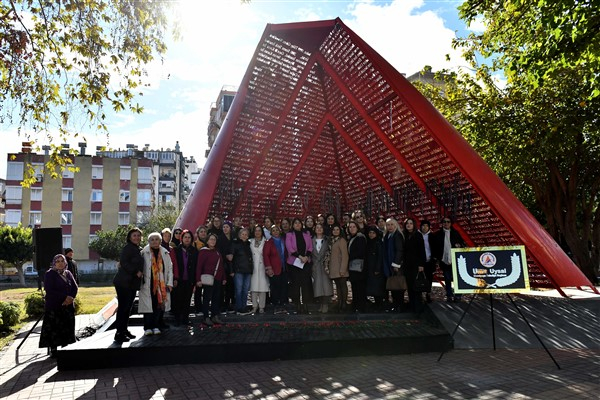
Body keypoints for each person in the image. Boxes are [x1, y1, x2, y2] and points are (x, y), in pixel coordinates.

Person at [39, 254, 78, 357]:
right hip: (54, 306)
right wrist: (64, 297)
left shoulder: (68, 273)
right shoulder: (49, 274)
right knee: (54, 328)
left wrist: (70, 297)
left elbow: (75, 287)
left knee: (67, 327)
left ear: (65, 262)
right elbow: (50, 290)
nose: (60, 263)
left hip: (68, 306)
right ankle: (54, 350)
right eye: (58, 261)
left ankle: (66, 348)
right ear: (54, 263)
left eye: (62, 261)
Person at [112, 227, 144, 343]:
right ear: (130, 237)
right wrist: (136, 271)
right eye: (134, 235)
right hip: (123, 282)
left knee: (128, 308)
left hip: (131, 283)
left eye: (138, 235)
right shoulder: (128, 248)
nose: (136, 237)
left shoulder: (137, 249)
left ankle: (124, 330)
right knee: (123, 308)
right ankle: (119, 333)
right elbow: (124, 263)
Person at [139, 232, 174, 335]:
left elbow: (169, 269)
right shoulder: (143, 252)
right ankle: (147, 327)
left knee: (158, 305)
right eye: (152, 239)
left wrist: (169, 283)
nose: (154, 241)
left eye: (156, 239)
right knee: (148, 307)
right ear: (148, 241)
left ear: (160, 241)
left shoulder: (165, 253)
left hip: (161, 285)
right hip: (148, 284)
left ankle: (156, 326)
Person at [432, 216, 465, 302]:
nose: (446, 223)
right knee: (447, 278)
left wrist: (459, 245)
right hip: (444, 260)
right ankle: (449, 295)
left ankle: (458, 295)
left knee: (456, 278)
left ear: (451, 223)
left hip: (454, 259)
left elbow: (462, 244)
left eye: (448, 222)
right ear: (442, 224)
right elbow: (435, 247)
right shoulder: (438, 234)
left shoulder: (455, 233)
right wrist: (438, 258)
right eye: (444, 222)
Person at [285, 217, 313, 314]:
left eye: (299, 223)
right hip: (294, 263)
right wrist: (300, 256)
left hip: (305, 262)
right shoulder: (289, 234)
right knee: (296, 284)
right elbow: (290, 248)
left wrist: (306, 257)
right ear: (292, 225)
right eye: (295, 223)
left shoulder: (307, 234)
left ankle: (305, 304)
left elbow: (310, 247)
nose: (297, 225)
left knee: (305, 284)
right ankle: (297, 304)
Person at [197, 233, 226, 326]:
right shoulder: (203, 251)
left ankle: (214, 316)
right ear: (207, 241)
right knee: (206, 298)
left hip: (217, 278)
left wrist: (224, 278)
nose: (213, 241)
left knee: (216, 298)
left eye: (214, 239)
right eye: (211, 239)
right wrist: (198, 279)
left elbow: (221, 266)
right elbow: (199, 266)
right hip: (207, 279)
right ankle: (206, 317)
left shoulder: (217, 252)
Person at [171, 230, 198, 325]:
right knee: (178, 299)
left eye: (189, 237)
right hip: (179, 279)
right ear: (181, 238)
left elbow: (196, 266)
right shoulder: (176, 250)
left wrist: (195, 281)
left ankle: (185, 319)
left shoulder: (194, 251)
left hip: (189, 279)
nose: (187, 239)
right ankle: (177, 319)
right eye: (185, 237)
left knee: (187, 300)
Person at [403, 218, 427, 312]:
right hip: (407, 264)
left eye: (411, 223)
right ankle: (411, 304)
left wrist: (421, 264)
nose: (409, 225)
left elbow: (421, 250)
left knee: (416, 286)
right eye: (407, 224)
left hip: (416, 265)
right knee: (409, 286)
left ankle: (418, 307)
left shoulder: (418, 235)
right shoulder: (404, 235)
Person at [263, 224, 287, 314]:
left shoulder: (283, 240)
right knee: (275, 287)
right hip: (273, 268)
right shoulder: (269, 242)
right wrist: (269, 268)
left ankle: (282, 305)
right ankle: (276, 305)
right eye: (273, 231)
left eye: (277, 230)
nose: (276, 232)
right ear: (271, 233)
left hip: (284, 267)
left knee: (283, 287)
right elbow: (266, 255)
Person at [383, 218, 405, 311]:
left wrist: (396, 264)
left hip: (396, 265)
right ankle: (395, 305)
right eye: (388, 225)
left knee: (398, 287)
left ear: (396, 225)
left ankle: (399, 306)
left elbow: (399, 250)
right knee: (393, 286)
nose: (390, 226)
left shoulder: (397, 235)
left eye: (392, 224)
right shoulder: (388, 235)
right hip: (389, 263)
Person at [326, 224, 349, 312]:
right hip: (334, 268)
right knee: (338, 286)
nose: (335, 231)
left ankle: (344, 303)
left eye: (337, 230)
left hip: (341, 267)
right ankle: (339, 302)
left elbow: (345, 255)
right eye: (334, 230)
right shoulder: (331, 241)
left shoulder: (342, 240)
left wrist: (343, 269)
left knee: (343, 285)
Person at [231, 228, 253, 315]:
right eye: (242, 234)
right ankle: (239, 307)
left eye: (246, 234)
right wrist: (232, 270)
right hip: (238, 270)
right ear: (239, 235)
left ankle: (244, 306)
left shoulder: (249, 245)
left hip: (247, 270)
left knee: (245, 290)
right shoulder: (235, 244)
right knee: (238, 289)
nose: (244, 236)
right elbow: (231, 258)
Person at [312, 223, 333, 313]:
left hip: (325, 266)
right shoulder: (311, 240)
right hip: (316, 265)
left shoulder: (327, 240)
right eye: (317, 228)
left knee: (326, 285)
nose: (319, 229)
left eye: (321, 227)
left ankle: (325, 304)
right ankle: (321, 304)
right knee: (317, 286)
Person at [347, 220, 367, 313]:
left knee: (360, 288)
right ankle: (356, 305)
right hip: (353, 267)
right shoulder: (352, 238)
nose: (352, 228)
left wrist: (348, 256)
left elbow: (360, 252)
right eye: (350, 227)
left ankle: (361, 307)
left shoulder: (360, 237)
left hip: (359, 267)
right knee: (355, 287)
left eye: (353, 226)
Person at [248, 225, 269, 313]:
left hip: (263, 266)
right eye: (256, 230)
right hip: (253, 266)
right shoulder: (250, 241)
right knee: (254, 287)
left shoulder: (266, 241)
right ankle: (254, 306)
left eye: (259, 230)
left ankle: (261, 307)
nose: (257, 232)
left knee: (263, 287)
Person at [365, 225, 385, 311]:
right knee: (373, 287)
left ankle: (379, 304)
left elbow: (380, 256)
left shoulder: (378, 242)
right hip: (370, 268)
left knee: (378, 288)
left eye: (373, 233)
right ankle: (376, 304)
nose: (371, 234)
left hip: (377, 269)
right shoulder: (368, 242)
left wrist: (377, 268)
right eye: (370, 233)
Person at [219, 220, 235, 314]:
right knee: (223, 286)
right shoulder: (220, 238)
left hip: (232, 265)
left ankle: (230, 304)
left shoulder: (233, 238)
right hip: (223, 265)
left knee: (231, 286)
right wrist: (226, 256)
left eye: (227, 227)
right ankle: (222, 305)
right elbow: (219, 251)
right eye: (224, 227)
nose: (225, 229)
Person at [193, 225, 209, 314]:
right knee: (198, 291)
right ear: (198, 234)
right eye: (201, 232)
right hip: (198, 270)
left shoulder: (209, 244)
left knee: (207, 291)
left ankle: (205, 308)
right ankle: (198, 308)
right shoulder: (194, 244)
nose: (203, 233)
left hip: (207, 271)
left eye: (204, 232)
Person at [420, 220, 435, 303]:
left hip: (429, 261)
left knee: (429, 278)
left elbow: (435, 248)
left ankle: (428, 294)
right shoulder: (418, 236)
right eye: (423, 225)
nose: (424, 227)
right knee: (420, 278)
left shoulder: (432, 236)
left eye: (426, 226)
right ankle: (420, 294)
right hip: (420, 261)